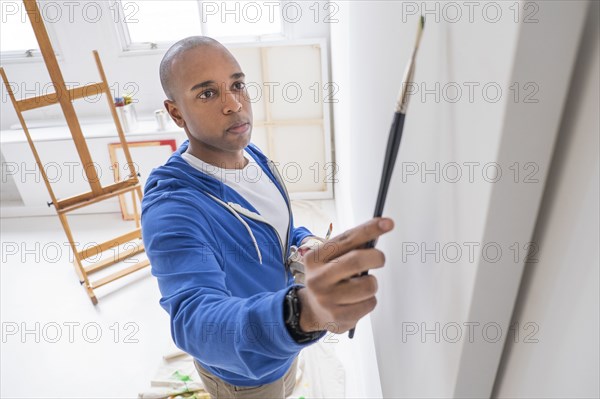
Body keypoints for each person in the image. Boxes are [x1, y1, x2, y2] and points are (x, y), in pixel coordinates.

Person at [141, 36, 394, 399]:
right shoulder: (174, 207)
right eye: (207, 94)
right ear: (176, 112)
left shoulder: (249, 154)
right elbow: (194, 321)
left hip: (284, 345)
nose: (234, 105)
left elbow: (277, 226)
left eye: (238, 85)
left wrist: (304, 244)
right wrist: (300, 312)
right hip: (247, 375)